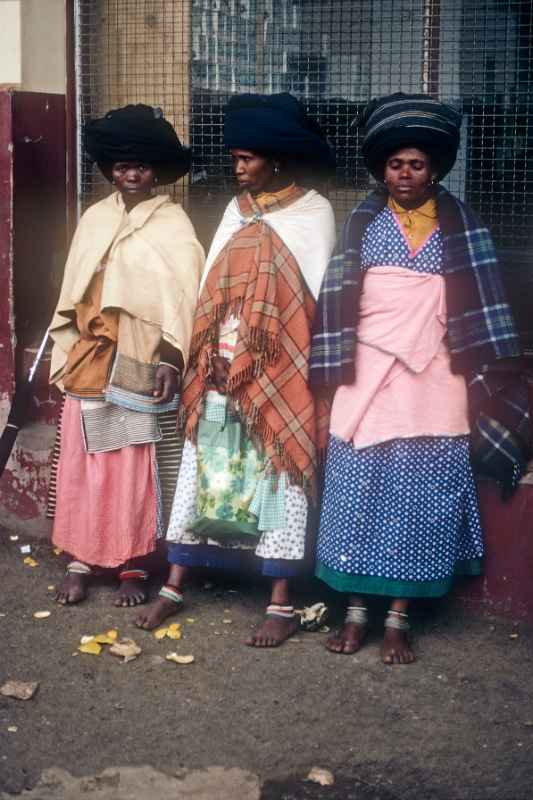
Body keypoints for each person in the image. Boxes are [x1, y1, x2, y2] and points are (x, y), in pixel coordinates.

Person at [309, 92, 530, 664]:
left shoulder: (462, 224)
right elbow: (338, 303)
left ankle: (399, 618)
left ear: (435, 169)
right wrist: (336, 375)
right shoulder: (363, 221)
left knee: (421, 496)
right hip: (369, 377)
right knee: (357, 490)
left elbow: (478, 304)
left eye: (417, 164)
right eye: (395, 164)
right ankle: (357, 612)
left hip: (435, 378)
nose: (404, 174)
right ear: (381, 168)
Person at [136, 92, 336, 646]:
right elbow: (209, 292)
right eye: (235, 159)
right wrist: (209, 356)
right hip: (220, 365)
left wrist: (264, 355)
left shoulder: (313, 212)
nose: (239, 168)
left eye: (248, 158)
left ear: (278, 159)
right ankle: (175, 584)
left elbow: (312, 297)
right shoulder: (234, 211)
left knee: (279, 473)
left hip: (278, 368)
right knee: (205, 468)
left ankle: (280, 600)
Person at [48, 104, 205, 606]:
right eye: (121, 166)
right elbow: (74, 286)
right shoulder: (95, 218)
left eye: (140, 165)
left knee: (132, 462)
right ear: (110, 170)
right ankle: (80, 556)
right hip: (90, 357)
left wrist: (171, 357)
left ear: (156, 170)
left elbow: (184, 294)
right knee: (86, 458)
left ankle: (132, 564)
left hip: (139, 358)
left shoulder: (172, 223)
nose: (131, 174)